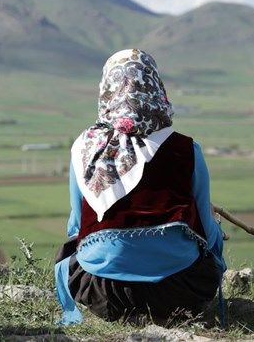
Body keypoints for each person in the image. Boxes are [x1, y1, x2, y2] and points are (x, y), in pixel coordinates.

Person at [55, 49, 226, 325]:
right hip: (179, 292)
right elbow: (207, 231)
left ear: (107, 89)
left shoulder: (85, 149)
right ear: (155, 87)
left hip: (103, 293)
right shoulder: (187, 150)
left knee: (69, 252)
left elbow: (76, 228)